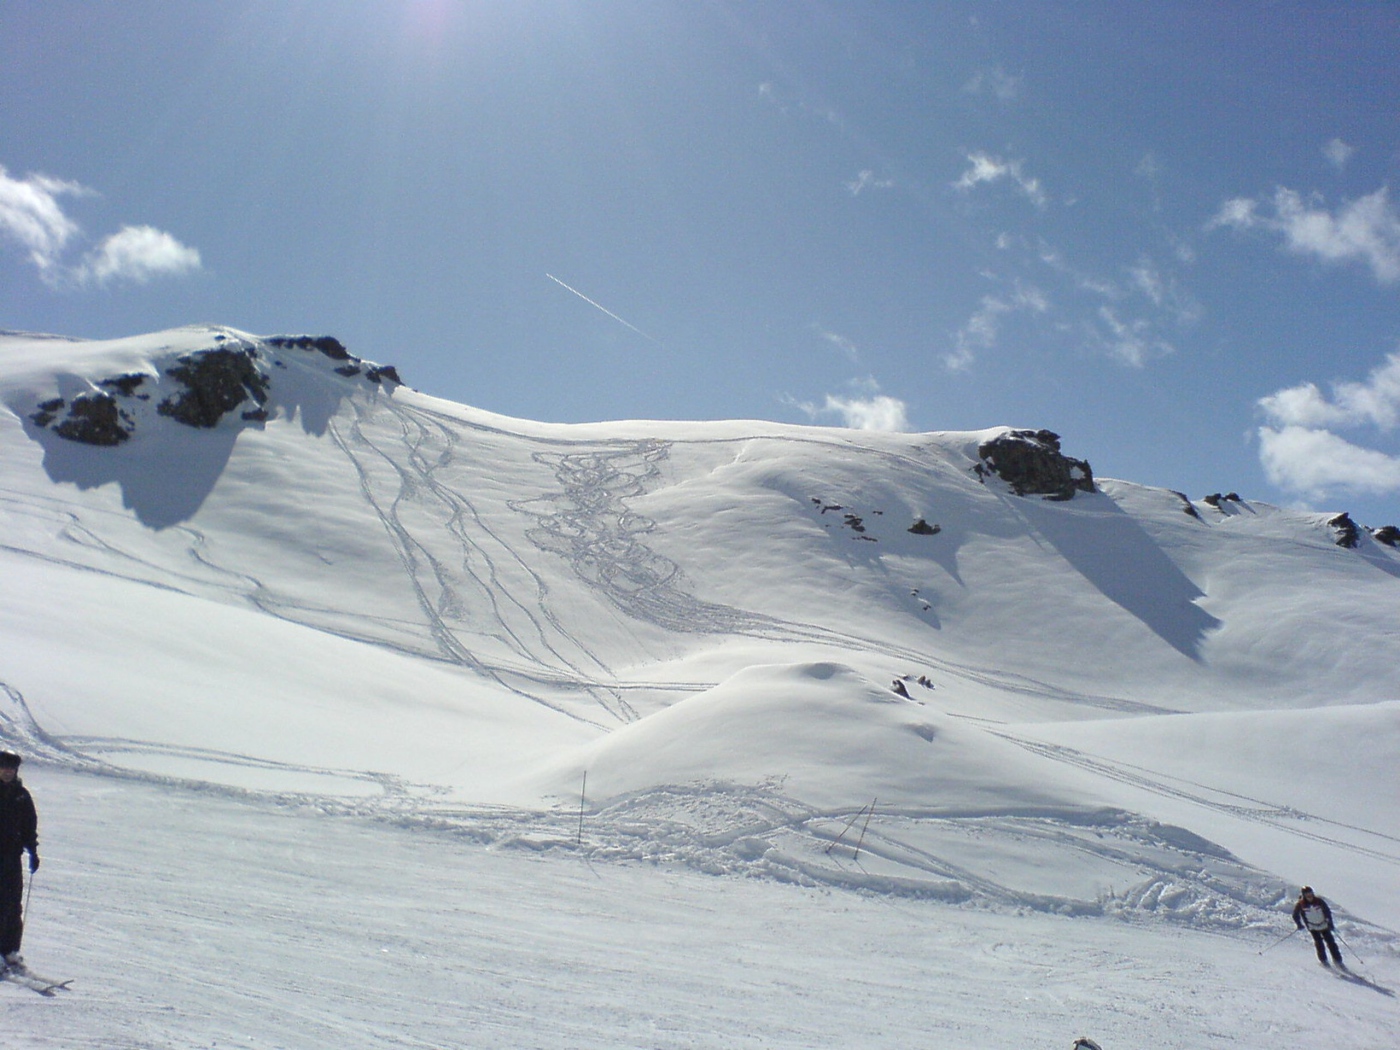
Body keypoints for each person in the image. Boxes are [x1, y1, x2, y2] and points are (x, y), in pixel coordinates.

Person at [0, 750, 39, 970]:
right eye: (4, 767)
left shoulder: (21, 796)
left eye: (11, 769)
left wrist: (33, 852)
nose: (7, 772)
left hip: (11, 858)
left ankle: (10, 951)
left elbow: (29, 826)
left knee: (12, 905)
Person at [1291, 886, 1344, 968]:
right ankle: (1323, 960)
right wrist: (1299, 924)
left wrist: (1329, 922)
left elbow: (1327, 911)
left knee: (1331, 943)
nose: (1309, 896)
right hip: (1313, 927)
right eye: (1307, 894)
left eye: (1310, 893)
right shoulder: (1301, 904)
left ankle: (1338, 960)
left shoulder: (1319, 901)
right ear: (1304, 895)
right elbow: (1295, 915)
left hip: (1324, 925)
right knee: (1319, 944)